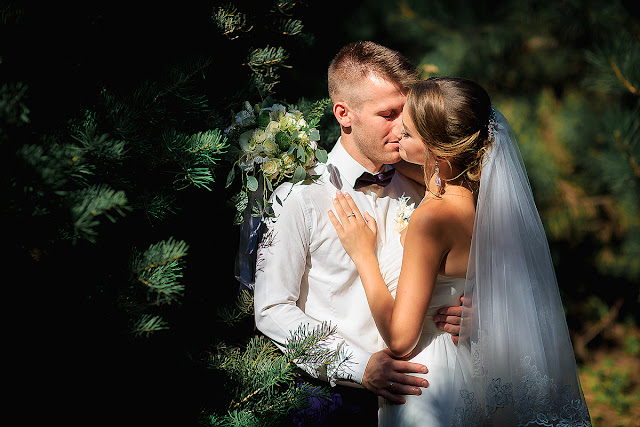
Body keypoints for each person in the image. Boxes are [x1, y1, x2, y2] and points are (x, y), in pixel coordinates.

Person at [328, 77, 591, 426]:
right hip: (466, 368)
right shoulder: (484, 202)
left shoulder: (431, 220)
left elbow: (401, 338)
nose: (397, 138)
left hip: (425, 380)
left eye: (407, 134)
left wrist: (363, 256)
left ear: (438, 151)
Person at [253, 42, 463, 425]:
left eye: (407, 112)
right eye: (388, 114)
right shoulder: (297, 198)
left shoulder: (430, 190)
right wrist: (358, 366)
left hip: (425, 398)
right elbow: (271, 309)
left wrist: (470, 309)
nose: (403, 127)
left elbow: (465, 266)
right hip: (333, 402)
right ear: (343, 114)